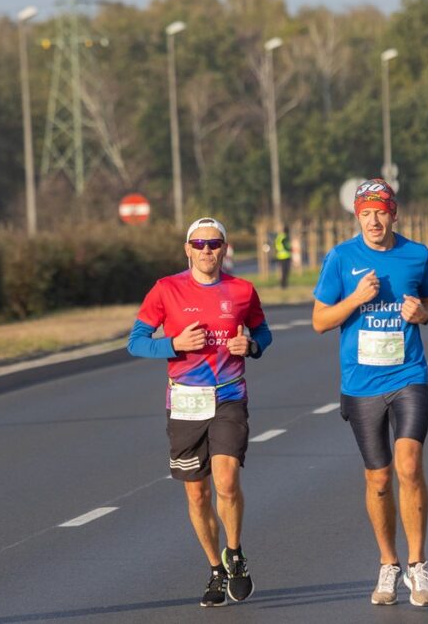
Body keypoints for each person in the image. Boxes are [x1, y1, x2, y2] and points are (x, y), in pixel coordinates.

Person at [127, 217, 272, 607]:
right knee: (197, 494)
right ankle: (215, 569)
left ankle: (236, 554)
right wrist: (173, 343)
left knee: (225, 482)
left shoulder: (241, 290)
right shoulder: (166, 289)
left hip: (228, 396)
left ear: (224, 249)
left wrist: (252, 347)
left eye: (214, 243)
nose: (207, 250)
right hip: (186, 402)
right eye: (199, 243)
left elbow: (263, 332)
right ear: (187, 249)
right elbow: (136, 342)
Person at [311, 179, 428, 608]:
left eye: (380, 211)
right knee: (379, 478)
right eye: (365, 213)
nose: (373, 220)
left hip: (408, 376)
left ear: (394, 213)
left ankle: (418, 565)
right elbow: (320, 321)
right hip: (361, 384)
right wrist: (355, 300)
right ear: (357, 217)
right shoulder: (342, 258)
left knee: (409, 464)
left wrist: (422, 313)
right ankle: (389, 564)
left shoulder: (416, 254)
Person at [274, 225, 292, 289]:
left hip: (279, 256)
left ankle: (283, 284)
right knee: (285, 271)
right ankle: (283, 285)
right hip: (285, 256)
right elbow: (285, 245)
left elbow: (276, 246)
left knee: (282, 271)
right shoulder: (284, 237)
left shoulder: (279, 237)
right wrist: (290, 249)